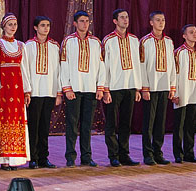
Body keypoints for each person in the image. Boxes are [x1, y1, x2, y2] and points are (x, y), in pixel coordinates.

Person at [60, 10, 103, 167]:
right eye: (81, 21)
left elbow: (101, 66)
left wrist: (100, 87)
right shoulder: (68, 41)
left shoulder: (95, 42)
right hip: (74, 88)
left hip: (90, 88)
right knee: (72, 124)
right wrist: (67, 88)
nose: (85, 24)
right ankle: (70, 156)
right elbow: (64, 65)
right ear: (75, 23)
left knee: (87, 125)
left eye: (87, 21)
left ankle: (86, 156)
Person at [0, 13, 31, 169]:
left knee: (17, 120)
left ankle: (15, 158)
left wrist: (27, 90)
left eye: (15, 24)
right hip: (3, 89)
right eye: (10, 24)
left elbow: (24, 69)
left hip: (17, 89)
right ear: (3, 26)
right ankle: (4, 158)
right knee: (4, 120)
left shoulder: (21, 46)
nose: (13, 27)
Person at [101, 9, 140, 167]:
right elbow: (105, 65)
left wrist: (137, 88)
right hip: (114, 87)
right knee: (111, 123)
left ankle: (124, 154)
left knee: (126, 123)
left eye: (127, 17)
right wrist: (105, 89)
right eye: (122, 17)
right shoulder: (109, 40)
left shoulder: (134, 39)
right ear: (115, 21)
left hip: (130, 86)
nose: (125, 20)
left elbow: (137, 64)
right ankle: (113, 155)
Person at [23, 16, 60, 169]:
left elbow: (58, 70)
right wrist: (27, 90)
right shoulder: (28, 46)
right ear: (35, 27)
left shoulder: (54, 46)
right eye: (43, 25)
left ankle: (44, 158)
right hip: (34, 92)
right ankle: (33, 158)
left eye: (48, 25)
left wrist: (58, 92)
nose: (46, 28)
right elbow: (25, 69)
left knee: (45, 127)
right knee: (34, 126)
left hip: (49, 90)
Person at [139, 11, 175, 165]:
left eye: (163, 20)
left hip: (164, 85)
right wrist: (144, 87)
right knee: (149, 122)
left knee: (161, 121)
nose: (161, 23)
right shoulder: (145, 41)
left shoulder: (169, 41)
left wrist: (172, 86)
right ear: (151, 22)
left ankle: (158, 152)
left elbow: (172, 65)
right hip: (151, 87)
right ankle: (148, 154)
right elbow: (142, 65)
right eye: (158, 20)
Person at [172, 24, 196, 163]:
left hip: (195, 91)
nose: (195, 34)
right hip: (182, 91)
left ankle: (189, 153)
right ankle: (178, 154)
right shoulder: (179, 52)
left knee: (190, 124)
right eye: (191, 32)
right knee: (179, 124)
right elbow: (174, 74)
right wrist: (174, 92)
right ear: (184, 35)